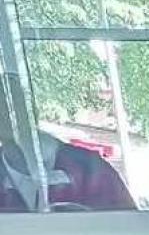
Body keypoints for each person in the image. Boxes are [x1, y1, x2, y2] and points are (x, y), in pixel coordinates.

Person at [0, 73, 135, 213]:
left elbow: (129, 224)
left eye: (11, 105)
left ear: (32, 110)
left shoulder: (89, 169)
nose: (5, 115)